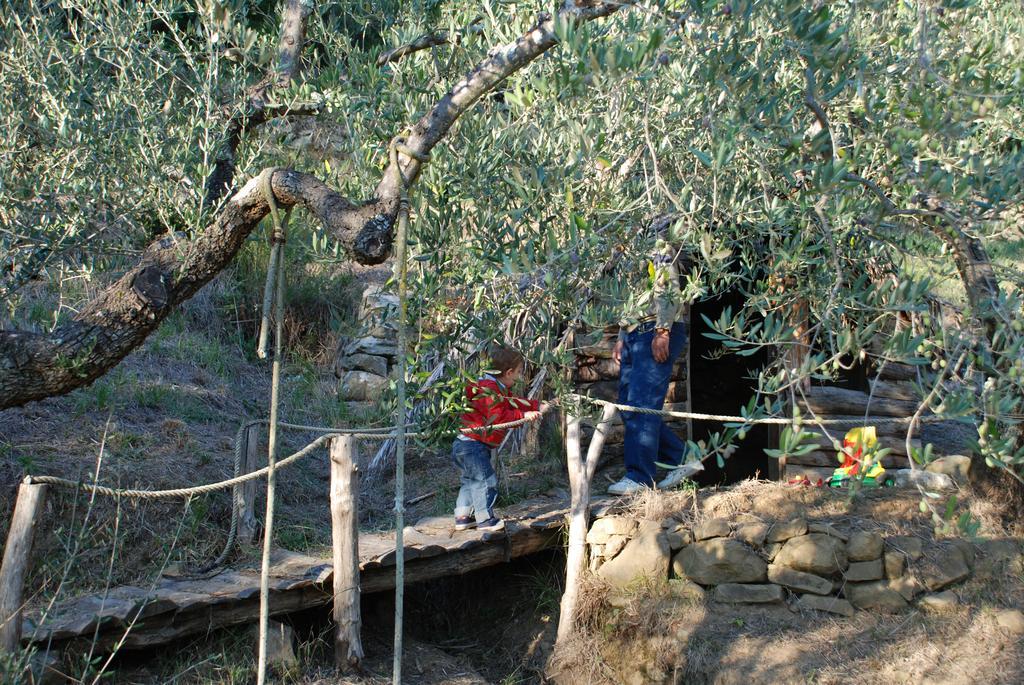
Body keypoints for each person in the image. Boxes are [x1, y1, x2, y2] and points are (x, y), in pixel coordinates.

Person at [607, 225, 699, 495]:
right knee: (628, 406)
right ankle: (682, 459)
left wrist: (662, 330)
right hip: (635, 333)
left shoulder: (658, 247)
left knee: (642, 406)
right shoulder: (626, 253)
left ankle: (640, 477)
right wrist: (623, 334)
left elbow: (667, 288)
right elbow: (630, 299)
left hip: (654, 331)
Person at [452, 346, 546, 532]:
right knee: (485, 481)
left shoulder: (491, 387)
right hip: (473, 445)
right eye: (518, 372)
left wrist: (535, 405)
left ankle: (463, 517)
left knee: (470, 481)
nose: (519, 376)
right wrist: (523, 415)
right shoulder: (489, 390)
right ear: (509, 372)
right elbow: (499, 416)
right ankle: (485, 520)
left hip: (464, 443)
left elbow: (512, 402)